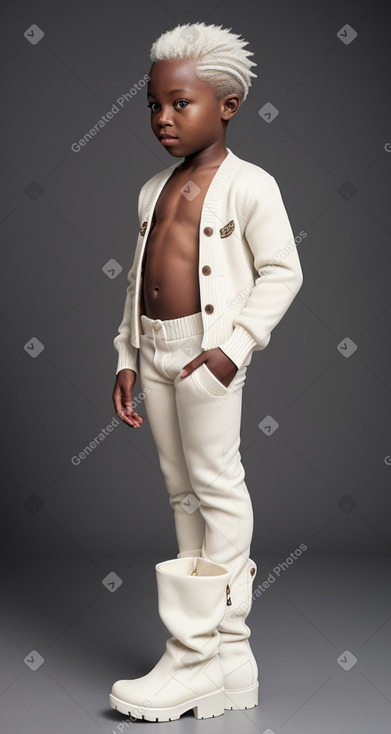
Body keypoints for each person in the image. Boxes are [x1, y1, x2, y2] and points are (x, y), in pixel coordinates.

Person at [109, 21, 303, 722]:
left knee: (218, 490)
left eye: (179, 103)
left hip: (205, 353)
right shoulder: (151, 189)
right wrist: (127, 355)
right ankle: (221, 662)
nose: (163, 117)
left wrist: (232, 346)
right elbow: (137, 280)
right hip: (155, 350)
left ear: (227, 105)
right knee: (181, 494)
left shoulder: (251, 185)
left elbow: (283, 271)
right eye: (154, 104)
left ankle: (198, 653)